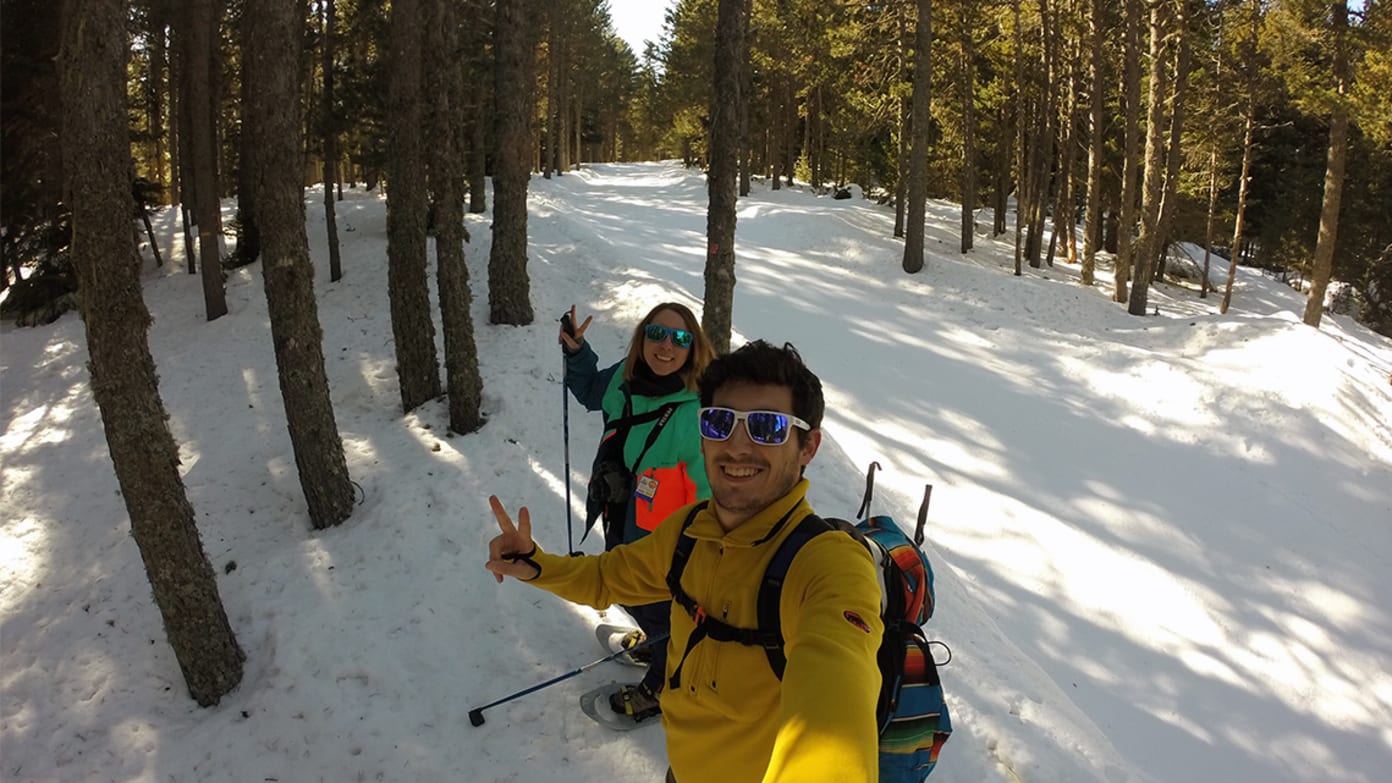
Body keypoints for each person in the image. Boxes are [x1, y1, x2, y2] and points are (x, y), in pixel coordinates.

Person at [487, 341, 884, 783]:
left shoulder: (828, 565)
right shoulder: (692, 529)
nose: (736, 447)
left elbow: (834, 710)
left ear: (808, 446)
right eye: (718, 422)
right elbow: (606, 578)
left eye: (767, 428)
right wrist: (536, 564)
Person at [559, 302, 714, 720]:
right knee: (627, 587)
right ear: (642, 337)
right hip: (621, 512)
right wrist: (577, 353)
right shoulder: (625, 378)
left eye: (680, 338)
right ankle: (654, 643)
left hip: (670, 540)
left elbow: (714, 492)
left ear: (693, 347)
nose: (666, 347)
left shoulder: (703, 409)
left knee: (659, 608)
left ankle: (662, 684)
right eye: (657, 334)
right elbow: (591, 390)